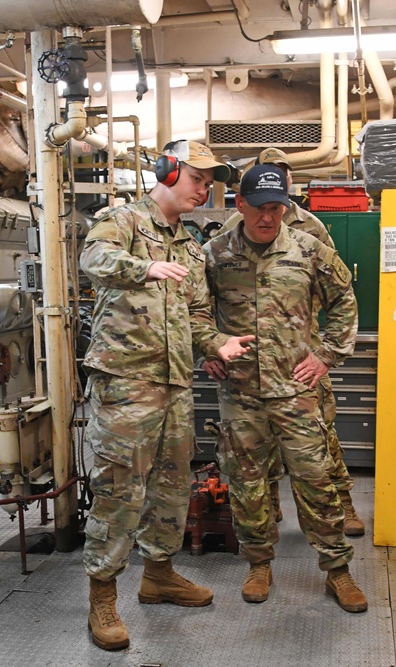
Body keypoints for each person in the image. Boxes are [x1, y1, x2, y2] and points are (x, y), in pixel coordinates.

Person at [80, 139, 254, 650]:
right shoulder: (124, 221)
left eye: (209, 182)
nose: (205, 189)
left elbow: (198, 316)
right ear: (167, 170)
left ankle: (158, 574)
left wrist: (220, 343)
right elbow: (94, 257)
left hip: (176, 385)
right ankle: (102, 595)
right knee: (117, 492)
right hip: (126, 384)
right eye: (198, 178)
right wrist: (145, 267)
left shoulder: (192, 248)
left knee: (172, 487)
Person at [202, 164, 367, 613]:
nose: (268, 218)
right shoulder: (215, 254)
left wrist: (327, 355)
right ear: (241, 204)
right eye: (259, 208)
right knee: (248, 485)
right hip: (241, 394)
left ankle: (337, 570)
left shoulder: (309, 250)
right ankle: (259, 563)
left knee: (316, 481)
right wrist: (210, 349)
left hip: (296, 391)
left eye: (276, 208)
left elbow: (345, 300)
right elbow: (193, 310)